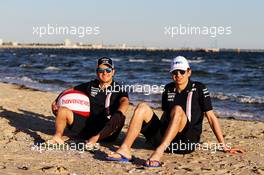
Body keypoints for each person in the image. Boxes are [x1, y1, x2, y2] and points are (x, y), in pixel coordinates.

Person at [107, 56, 244, 167]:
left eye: (182, 71)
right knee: (142, 106)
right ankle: (125, 149)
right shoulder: (168, 89)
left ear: (189, 72)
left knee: (177, 110)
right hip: (166, 140)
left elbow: (211, 118)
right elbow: (166, 116)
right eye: (174, 72)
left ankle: (158, 153)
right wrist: (151, 132)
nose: (178, 75)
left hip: (185, 142)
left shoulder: (200, 89)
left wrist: (224, 146)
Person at [47, 57, 129, 147]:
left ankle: (95, 139)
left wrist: (120, 112)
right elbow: (71, 89)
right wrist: (56, 100)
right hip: (88, 126)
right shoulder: (91, 85)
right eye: (101, 70)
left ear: (113, 72)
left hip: (107, 130)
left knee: (121, 118)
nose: (105, 73)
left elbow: (124, 101)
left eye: (108, 70)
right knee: (62, 110)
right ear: (97, 72)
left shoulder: (118, 88)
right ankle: (58, 136)